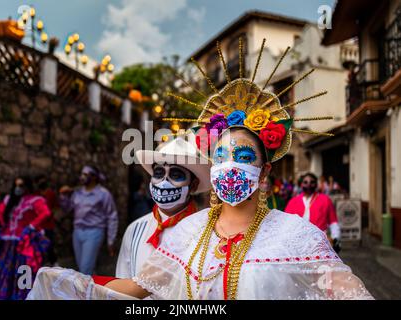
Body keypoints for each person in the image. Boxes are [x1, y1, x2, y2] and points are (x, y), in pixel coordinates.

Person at [27, 39, 371, 300]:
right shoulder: (186, 234)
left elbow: (351, 293)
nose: (230, 166)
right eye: (220, 156)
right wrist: (65, 284)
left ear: (264, 173)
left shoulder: (298, 236)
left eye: (244, 157)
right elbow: (136, 289)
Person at [116, 136, 211, 278]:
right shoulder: (135, 230)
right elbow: (122, 282)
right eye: (159, 173)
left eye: (176, 175)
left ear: (193, 185)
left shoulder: (206, 233)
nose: (164, 182)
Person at [0, 176, 51, 300]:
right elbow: (0, 211)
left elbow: (46, 213)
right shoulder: (11, 200)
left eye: (21, 185)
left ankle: (24, 296)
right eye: (16, 185)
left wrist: (32, 226)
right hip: (8, 243)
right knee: (6, 271)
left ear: (27, 186)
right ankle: (6, 294)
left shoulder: (34, 200)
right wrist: (3, 225)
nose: (18, 188)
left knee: (24, 270)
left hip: (24, 243)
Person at [59, 165, 118, 275]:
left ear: (94, 177)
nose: (82, 177)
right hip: (77, 232)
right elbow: (68, 209)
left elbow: (112, 216)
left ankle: (84, 291)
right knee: (83, 266)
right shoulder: (77, 193)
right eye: (82, 174)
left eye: (85, 174)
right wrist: (63, 196)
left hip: (94, 232)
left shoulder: (103, 194)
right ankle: (93, 288)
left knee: (85, 268)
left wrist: (111, 239)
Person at [285, 173, 342, 253]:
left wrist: (336, 239)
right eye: (305, 182)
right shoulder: (293, 202)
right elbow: (286, 224)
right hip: (297, 244)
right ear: (301, 184)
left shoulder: (325, 200)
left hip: (319, 244)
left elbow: (333, 222)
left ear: (316, 184)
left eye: (312, 182)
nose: (308, 184)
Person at [35, 174, 59, 266]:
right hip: (38, 225)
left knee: (49, 245)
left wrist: (49, 214)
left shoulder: (51, 194)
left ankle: (54, 262)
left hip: (48, 225)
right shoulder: (36, 194)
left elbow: (55, 207)